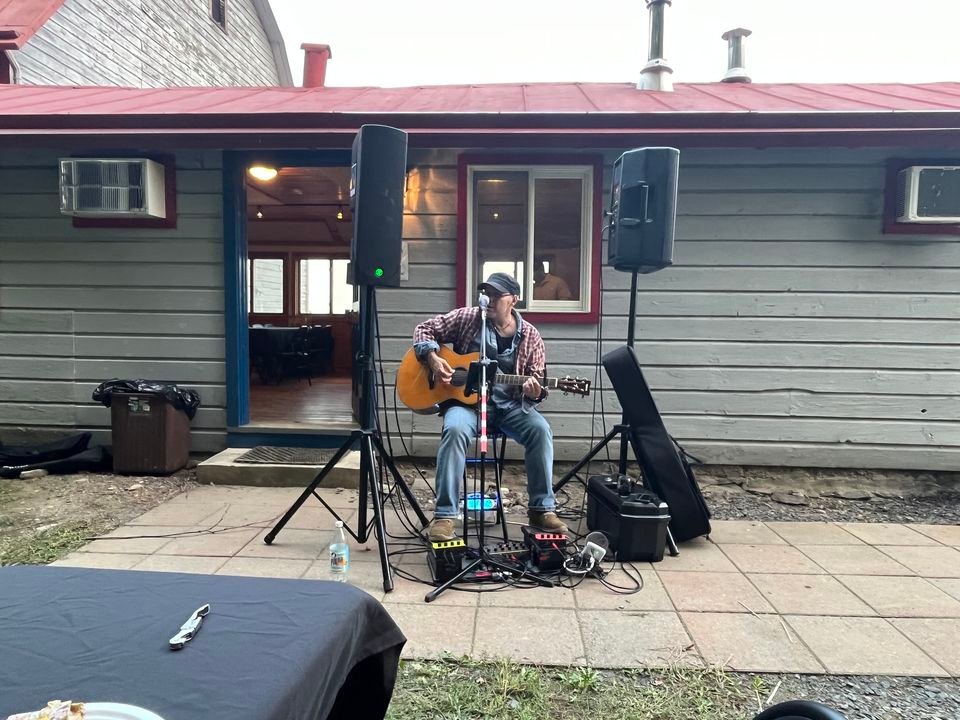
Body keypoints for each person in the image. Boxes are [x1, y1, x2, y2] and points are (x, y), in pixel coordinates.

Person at [413, 272, 568, 541]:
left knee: (540, 431)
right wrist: (433, 358)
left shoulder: (531, 336)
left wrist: (535, 392)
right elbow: (423, 329)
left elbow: (537, 385)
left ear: (514, 300)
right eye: (488, 294)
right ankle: (445, 515)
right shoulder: (468, 318)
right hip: (466, 405)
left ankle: (541, 509)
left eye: (498, 295)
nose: (490, 299)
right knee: (454, 430)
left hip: (509, 407)